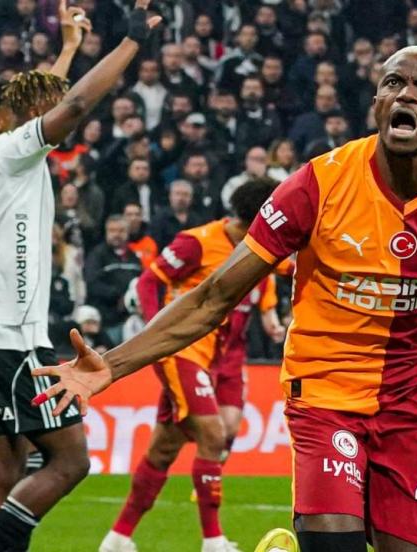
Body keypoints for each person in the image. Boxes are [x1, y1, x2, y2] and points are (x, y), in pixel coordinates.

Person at [34, 45, 417, 552]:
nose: (404, 94)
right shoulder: (319, 183)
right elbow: (213, 297)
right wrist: (111, 365)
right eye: (393, 83)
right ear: (376, 104)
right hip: (325, 392)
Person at [0, 3, 160, 551]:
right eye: (28, 110)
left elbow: (49, 98)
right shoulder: (12, 152)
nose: (42, 114)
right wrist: (130, 43)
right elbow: (70, 106)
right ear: (2, 119)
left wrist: (71, 47)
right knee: (71, 461)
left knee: (6, 473)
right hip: (11, 339)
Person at [99, 179, 282, 552]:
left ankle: (118, 538)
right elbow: (149, 281)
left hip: (213, 355)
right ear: (259, 215)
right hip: (179, 350)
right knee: (213, 434)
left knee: (164, 449)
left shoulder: (259, 251)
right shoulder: (197, 241)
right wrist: (155, 333)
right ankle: (213, 541)